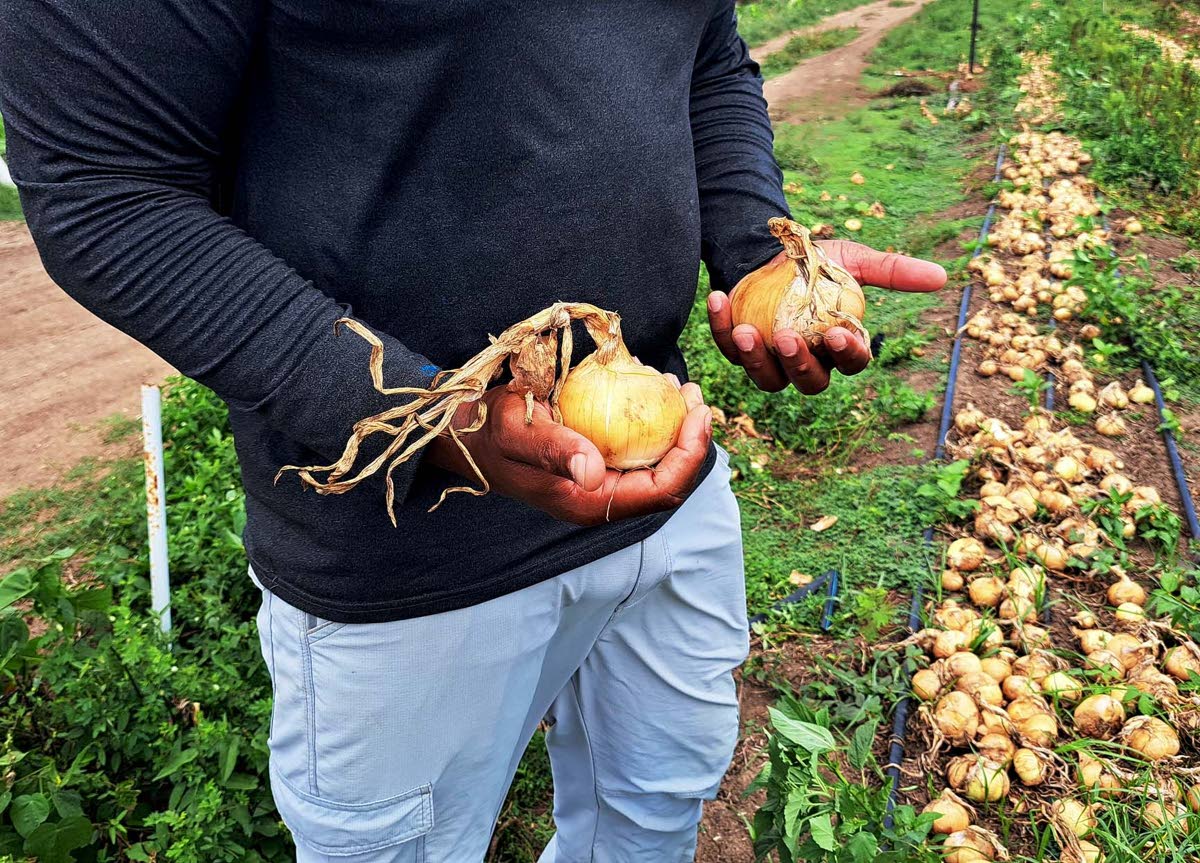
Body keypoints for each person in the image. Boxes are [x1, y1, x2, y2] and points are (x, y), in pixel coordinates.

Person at [0, 2, 945, 860]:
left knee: (653, 815)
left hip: (670, 483)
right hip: (403, 558)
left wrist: (759, 247)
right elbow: (103, 187)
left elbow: (705, 54)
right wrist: (424, 420)